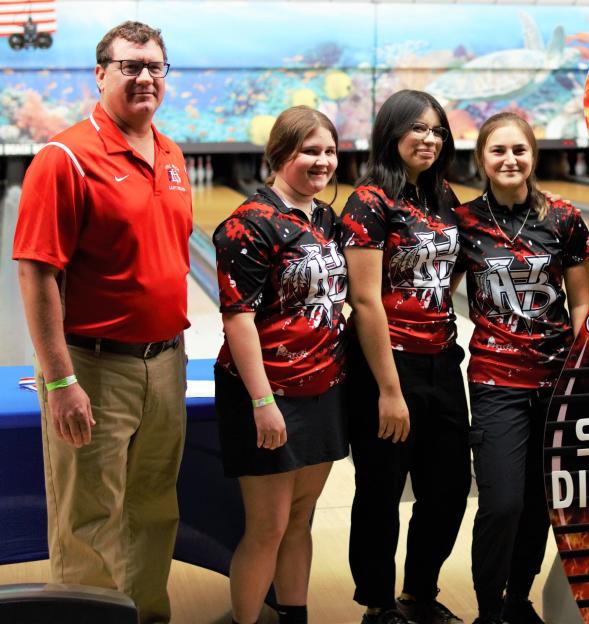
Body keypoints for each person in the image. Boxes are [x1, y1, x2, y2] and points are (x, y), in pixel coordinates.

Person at [12, 21, 190, 623]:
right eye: (129, 66)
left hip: (167, 363)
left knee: (154, 508)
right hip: (93, 364)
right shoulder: (64, 158)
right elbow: (36, 275)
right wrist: (60, 382)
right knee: (90, 518)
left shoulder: (171, 153)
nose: (144, 77)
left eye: (154, 67)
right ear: (101, 73)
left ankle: (145, 616)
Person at [453, 113, 589, 624]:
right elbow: (435, 296)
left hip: (556, 380)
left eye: (519, 150)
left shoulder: (564, 218)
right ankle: (489, 610)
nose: (510, 160)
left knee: (540, 502)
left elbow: (581, 304)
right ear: (482, 160)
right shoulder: (463, 223)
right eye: (498, 151)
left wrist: (583, 374)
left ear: (533, 155)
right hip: (495, 381)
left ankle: (518, 599)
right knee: (502, 503)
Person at [212, 106, 349, 624]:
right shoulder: (250, 224)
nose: (323, 162)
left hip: (325, 387)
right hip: (269, 395)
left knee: (299, 520)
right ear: (280, 155)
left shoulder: (324, 218)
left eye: (330, 151)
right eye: (310, 151)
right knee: (267, 527)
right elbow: (238, 320)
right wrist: (263, 403)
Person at [341, 89, 470, 624]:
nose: (430, 138)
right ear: (392, 132)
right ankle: (377, 602)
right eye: (418, 128)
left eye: (438, 130)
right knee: (381, 487)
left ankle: (420, 592)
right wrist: (389, 390)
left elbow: (453, 268)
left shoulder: (445, 197)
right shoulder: (369, 201)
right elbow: (365, 299)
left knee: (450, 487)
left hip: (441, 359)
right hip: (384, 366)